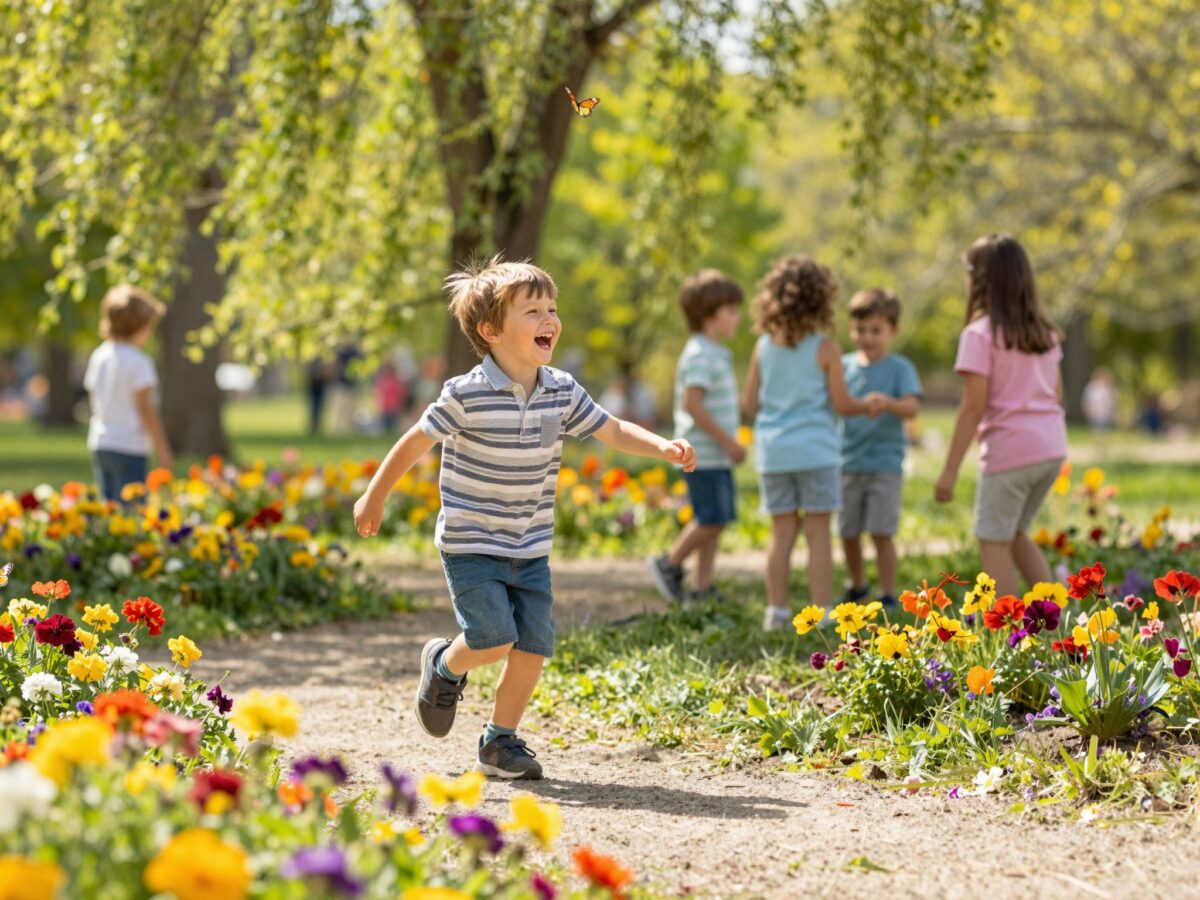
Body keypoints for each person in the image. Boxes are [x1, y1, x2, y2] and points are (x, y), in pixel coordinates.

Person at [353, 257, 695, 780]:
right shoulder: (465, 393)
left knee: (531, 646)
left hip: (529, 545)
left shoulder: (561, 389)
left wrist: (662, 446)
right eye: (532, 310)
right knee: (492, 639)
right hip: (471, 542)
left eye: (552, 309)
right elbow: (415, 441)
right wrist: (374, 496)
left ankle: (499, 743)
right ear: (491, 331)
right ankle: (444, 664)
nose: (549, 320)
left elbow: (613, 428)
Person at [742, 256, 880, 632]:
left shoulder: (763, 347)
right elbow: (842, 404)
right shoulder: (827, 348)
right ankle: (821, 610)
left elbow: (749, 403)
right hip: (816, 452)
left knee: (781, 533)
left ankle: (777, 612)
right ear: (821, 300)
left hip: (774, 454)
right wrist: (867, 405)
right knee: (819, 533)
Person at [935, 234, 1067, 597]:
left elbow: (972, 407)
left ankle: (1012, 637)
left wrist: (948, 471)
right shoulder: (1046, 334)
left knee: (992, 541)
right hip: (1051, 449)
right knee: (1015, 535)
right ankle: (1060, 622)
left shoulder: (979, 335)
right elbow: (1055, 394)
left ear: (978, 280)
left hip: (1010, 454)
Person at [647, 270, 744, 606]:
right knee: (712, 518)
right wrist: (729, 441)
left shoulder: (714, 351)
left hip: (714, 453)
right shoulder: (701, 352)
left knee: (715, 519)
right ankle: (669, 563)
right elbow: (692, 403)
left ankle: (702, 587)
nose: (738, 318)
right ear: (709, 315)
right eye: (731, 310)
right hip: (702, 451)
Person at [839, 288, 922, 608]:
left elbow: (912, 408)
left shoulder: (900, 368)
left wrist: (889, 403)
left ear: (893, 331)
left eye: (876, 331)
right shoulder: (844, 366)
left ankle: (887, 592)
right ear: (851, 329)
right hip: (847, 462)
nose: (867, 338)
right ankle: (857, 584)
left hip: (885, 465)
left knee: (881, 532)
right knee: (848, 531)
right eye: (861, 330)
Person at [83, 284, 173, 501]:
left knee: (109, 506)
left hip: (101, 442)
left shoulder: (99, 356)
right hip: (129, 445)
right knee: (131, 511)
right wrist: (162, 448)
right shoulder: (139, 362)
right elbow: (145, 408)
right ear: (140, 327)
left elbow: (93, 396)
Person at [375, 360, 408, 433]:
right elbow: (379, 393)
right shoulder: (382, 380)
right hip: (385, 407)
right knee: (385, 426)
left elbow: (402, 393)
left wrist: (401, 404)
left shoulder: (398, 380)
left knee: (394, 425)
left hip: (395, 406)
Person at [1081, 367, 1117, 431]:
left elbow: (1112, 400)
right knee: (1095, 428)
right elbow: (1087, 400)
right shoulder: (1091, 387)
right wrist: (1087, 409)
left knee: (1104, 428)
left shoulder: (1108, 388)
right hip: (1094, 411)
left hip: (1105, 412)